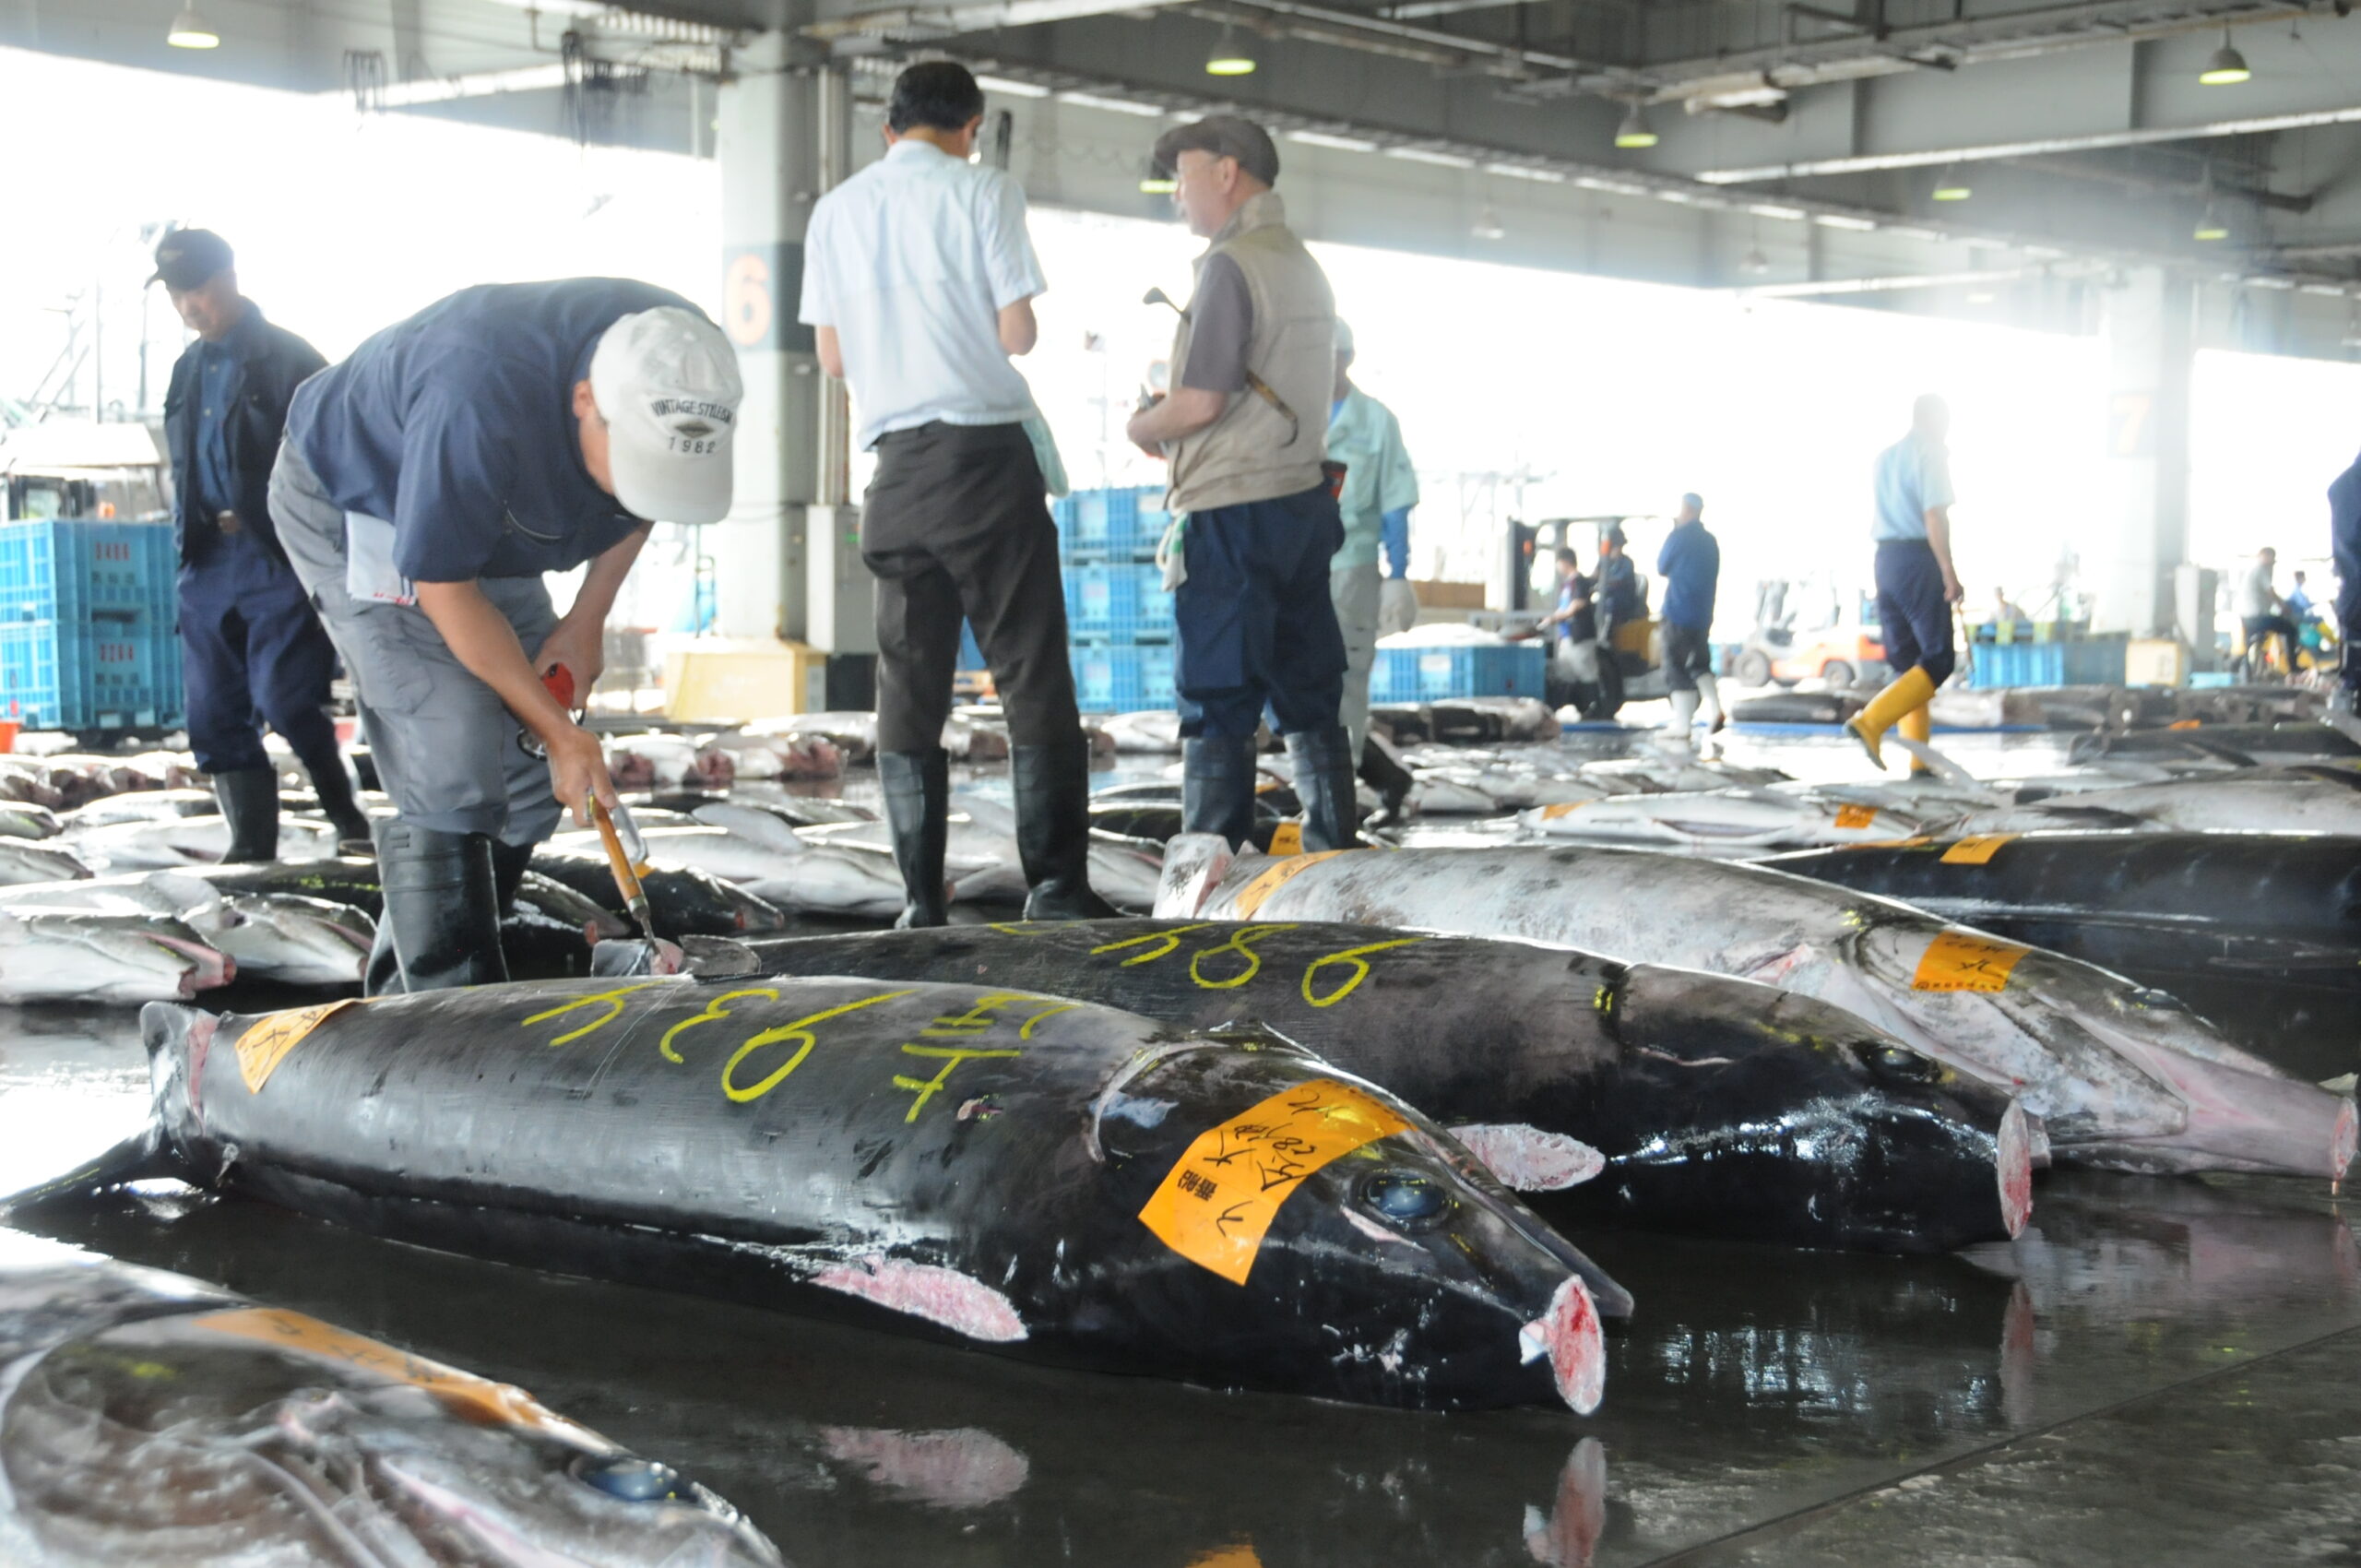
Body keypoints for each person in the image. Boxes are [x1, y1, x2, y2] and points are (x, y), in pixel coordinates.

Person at [269, 280, 742, 993]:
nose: (640, 488)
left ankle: (480, 952)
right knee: (451, 729)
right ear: (586, 402)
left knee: (526, 763)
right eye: (633, 466)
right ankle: (428, 1005)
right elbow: (446, 590)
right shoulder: (477, 395)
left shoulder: (688, 365)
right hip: (363, 499)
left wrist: (585, 623)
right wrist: (559, 730)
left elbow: (652, 501)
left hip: (494, 514)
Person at [800, 60, 1115, 929]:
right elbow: (1018, 332)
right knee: (1028, 668)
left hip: (894, 473)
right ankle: (1054, 889)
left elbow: (832, 360)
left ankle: (916, 901)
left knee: (909, 682)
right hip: (982, 458)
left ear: (888, 128)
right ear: (971, 126)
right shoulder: (983, 191)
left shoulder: (837, 210)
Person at [1124, 113, 1355, 852]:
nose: (1177, 197)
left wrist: (1143, 426)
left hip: (1230, 518)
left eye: (1184, 178)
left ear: (1227, 173)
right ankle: (1332, 854)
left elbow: (1202, 402)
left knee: (1219, 695)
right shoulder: (1299, 261)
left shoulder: (1230, 265)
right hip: (1300, 504)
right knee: (1307, 687)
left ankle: (1209, 885)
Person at [153, 229, 370, 861]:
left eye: (196, 287)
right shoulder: (185, 369)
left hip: (279, 553)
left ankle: (346, 815)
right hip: (206, 558)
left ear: (229, 276)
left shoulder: (292, 358)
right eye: (175, 292)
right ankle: (251, 848)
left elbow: (342, 458)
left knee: (285, 699)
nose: (189, 304)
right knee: (213, 712)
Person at [1846, 395, 1963, 773]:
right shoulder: (1930, 453)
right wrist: (1948, 572)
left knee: (1911, 667)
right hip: (1916, 559)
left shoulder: (1885, 457)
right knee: (1939, 659)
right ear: (1936, 419)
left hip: (1885, 561)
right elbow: (1933, 515)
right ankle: (1872, 721)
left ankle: (1919, 763)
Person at [1324, 317, 1419, 758]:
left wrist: (1398, 573)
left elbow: (1396, 501)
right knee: (1294, 677)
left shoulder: (1377, 422)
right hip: (1290, 568)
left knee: (1346, 674)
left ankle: (1344, 777)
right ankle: (1320, 773)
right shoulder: (1289, 414)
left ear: (1346, 358)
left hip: (1352, 566)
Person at [1657, 493, 1723, 739]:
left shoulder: (1679, 536)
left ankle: (1683, 725)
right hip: (1703, 614)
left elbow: (1661, 566)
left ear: (1686, 510)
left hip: (1678, 611)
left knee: (1675, 666)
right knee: (1699, 663)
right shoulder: (1710, 541)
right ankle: (1716, 709)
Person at [2234, 547, 2299, 673]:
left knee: (2249, 643)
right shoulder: (2261, 569)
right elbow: (2270, 591)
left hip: (2246, 618)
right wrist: (2283, 607)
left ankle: (2247, 669)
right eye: (2272, 558)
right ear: (2265, 556)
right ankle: (2293, 667)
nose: (2273, 562)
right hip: (2258, 617)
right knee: (2290, 629)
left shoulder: (2252, 570)